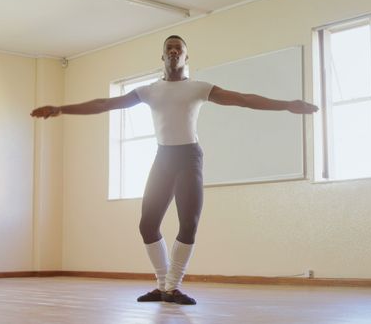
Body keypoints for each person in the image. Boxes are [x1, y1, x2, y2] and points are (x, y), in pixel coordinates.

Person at [30, 35, 318, 305]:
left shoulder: (198, 88)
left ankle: (172, 286)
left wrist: (287, 105)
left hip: (189, 157)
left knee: (188, 224)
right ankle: (162, 285)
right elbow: (105, 103)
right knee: (147, 224)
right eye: (169, 46)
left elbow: (242, 99)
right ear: (163, 56)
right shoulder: (149, 91)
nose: (174, 50)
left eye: (179, 47)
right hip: (163, 158)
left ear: (186, 56)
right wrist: (60, 108)